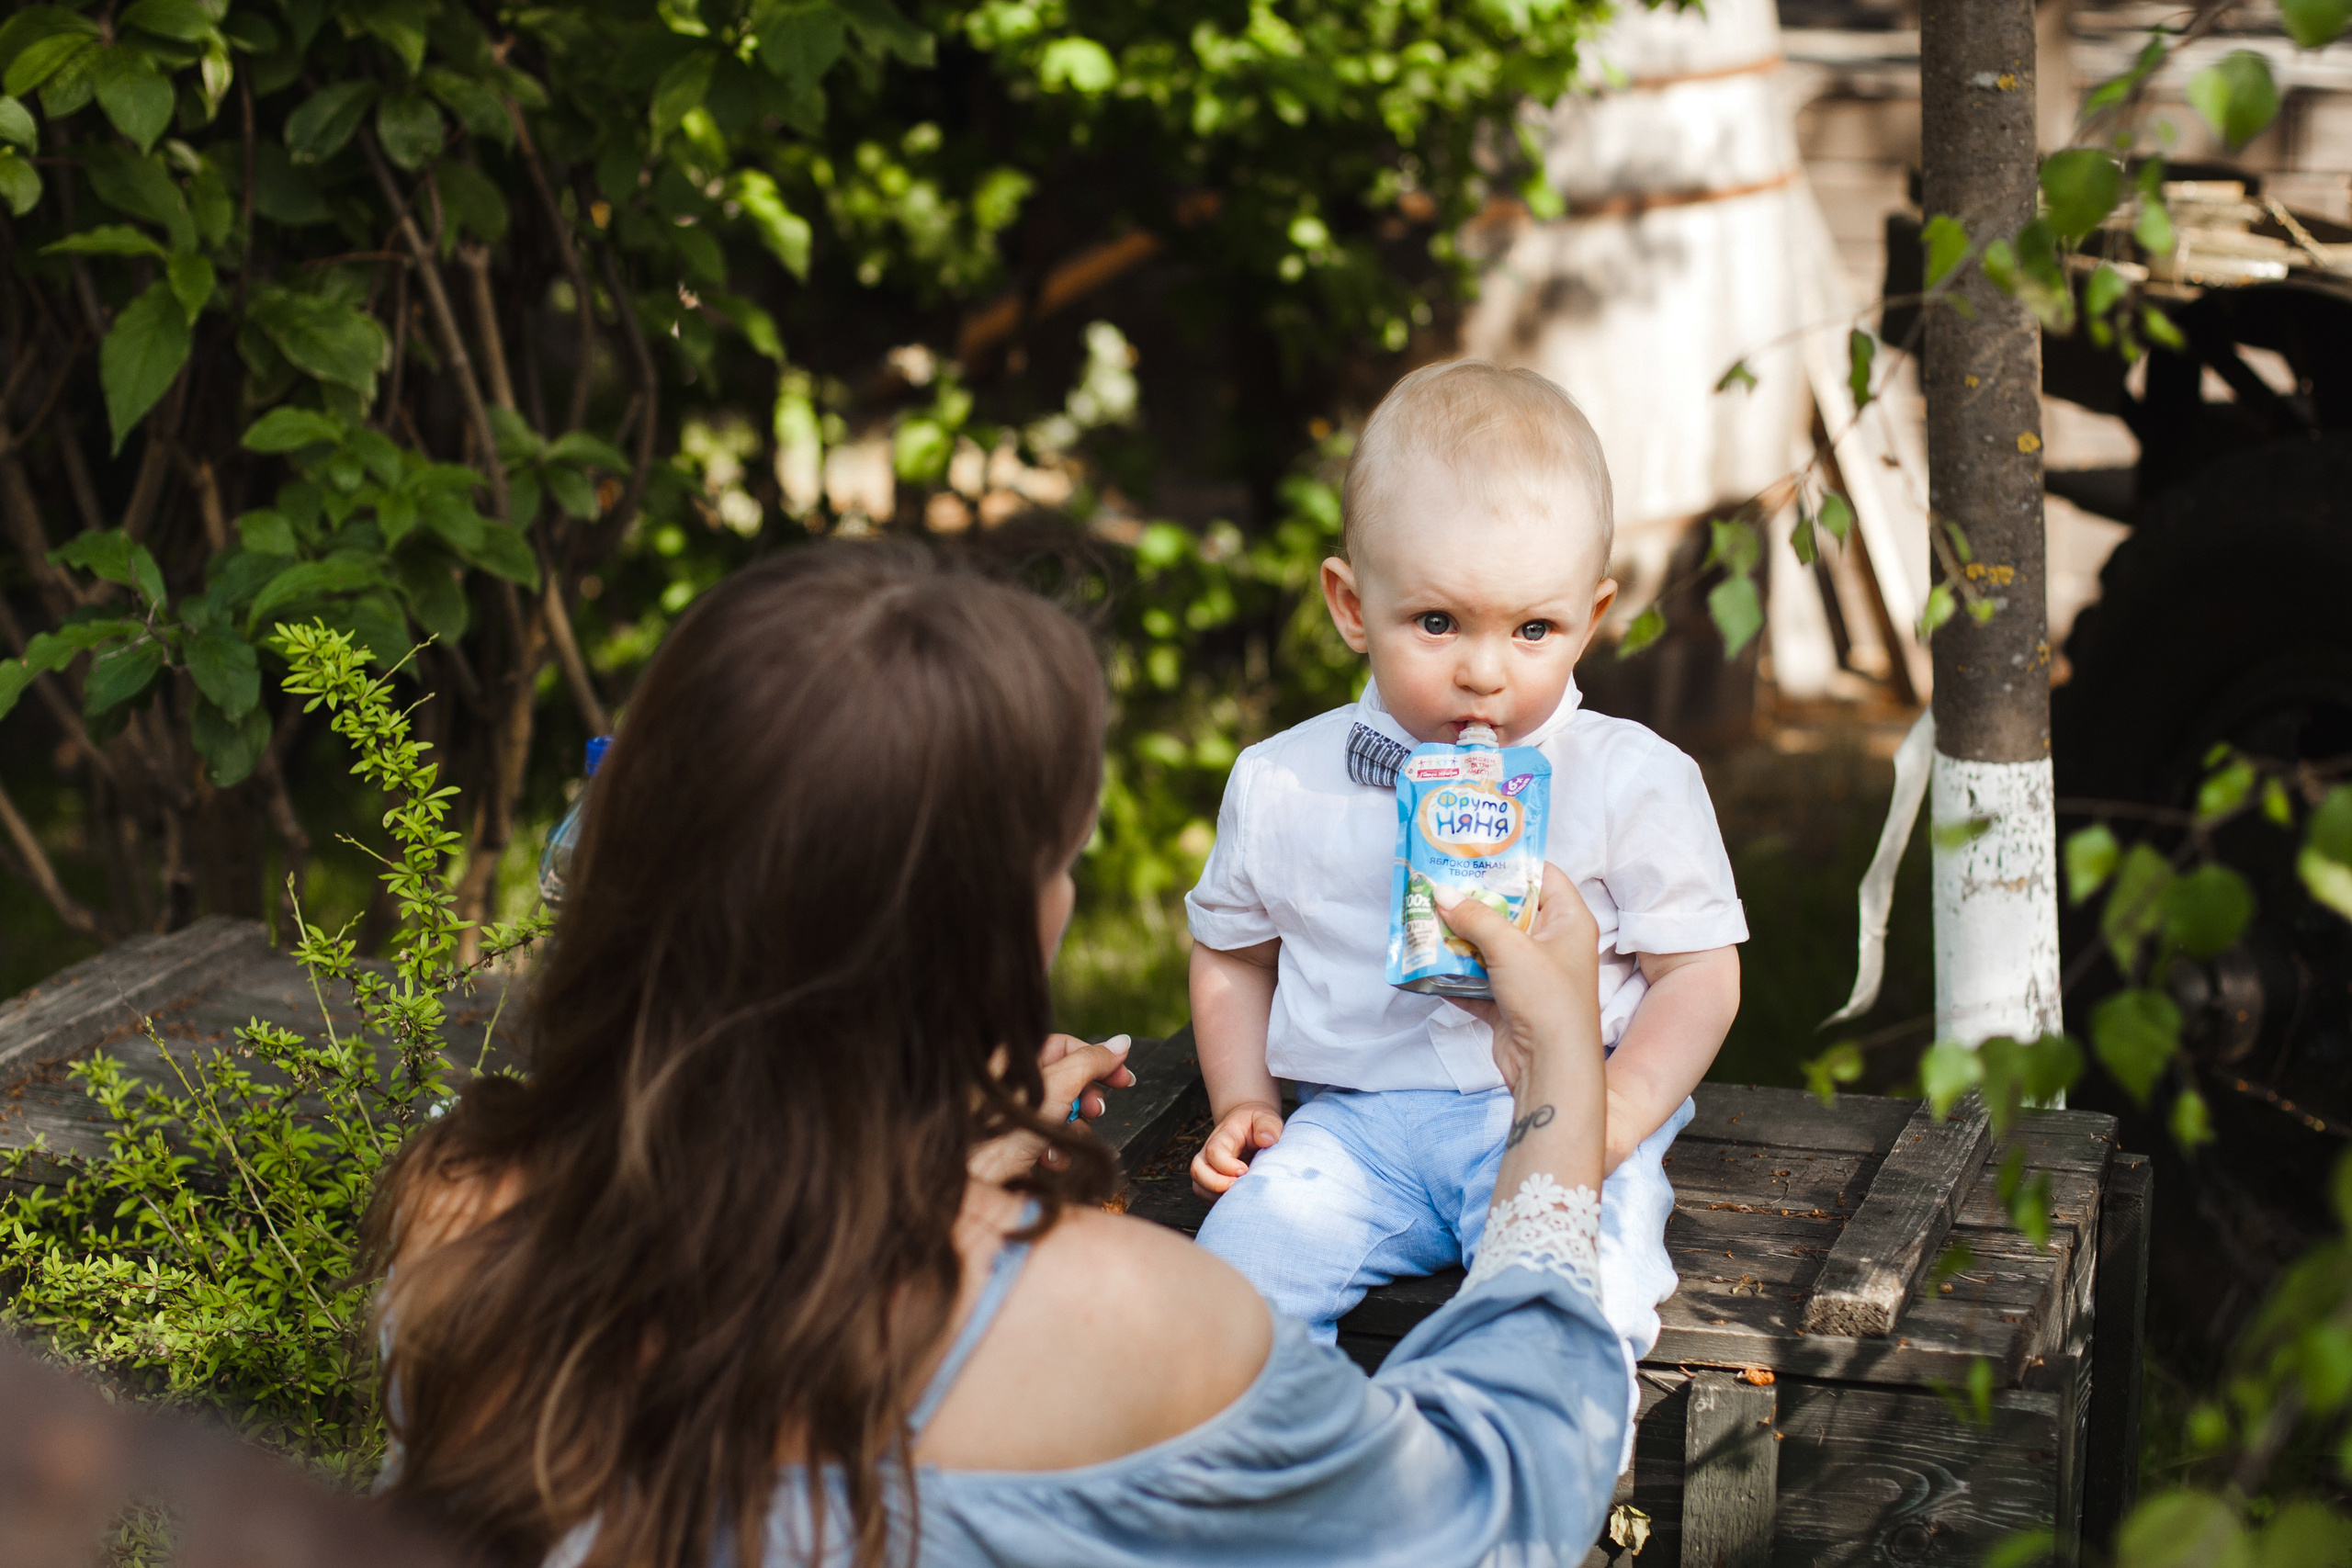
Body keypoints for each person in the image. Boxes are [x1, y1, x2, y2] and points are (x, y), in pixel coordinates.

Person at [368, 542, 1628, 1568]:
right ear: (996, 917)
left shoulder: (460, 1219)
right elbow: (1498, 1498)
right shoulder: (1138, 1320)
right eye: (1062, 861)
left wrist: (927, 1143)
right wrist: (1563, 1070)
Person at [1183, 359, 1747, 1462]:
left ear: (1589, 620)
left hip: (1556, 1112)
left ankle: (1500, 1478)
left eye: (1532, 630)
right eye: (1436, 621)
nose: (1486, 673)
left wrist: (1616, 1112)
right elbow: (1232, 953)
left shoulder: (1635, 780)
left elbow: (1700, 972)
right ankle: (1257, 1485)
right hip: (1354, 1128)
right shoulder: (1283, 781)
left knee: (1584, 1282)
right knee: (1240, 1266)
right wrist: (1245, 1094)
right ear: (1353, 606)